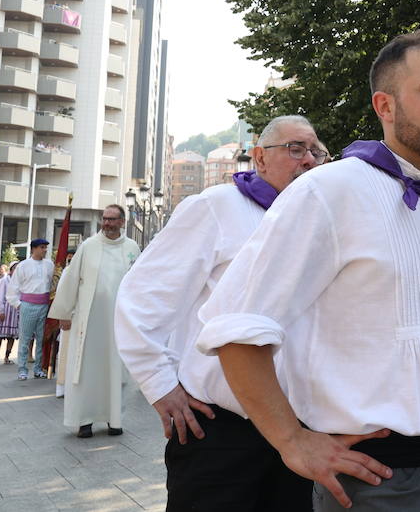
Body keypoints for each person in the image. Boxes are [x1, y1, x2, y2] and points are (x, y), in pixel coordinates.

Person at [197, 29, 420, 511]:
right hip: (380, 482)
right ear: (385, 106)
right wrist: (292, 442)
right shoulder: (329, 192)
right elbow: (234, 326)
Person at [116, 115, 326, 509]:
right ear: (260, 158)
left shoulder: (320, 222)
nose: (309, 160)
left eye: (317, 151)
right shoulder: (217, 207)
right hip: (222, 431)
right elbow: (142, 297)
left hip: (303, 428)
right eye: (296, 149)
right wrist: (160, 385)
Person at [49, 205, 140, 437]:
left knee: (115, 370)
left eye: (112, 219)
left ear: (122, 222)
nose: (106, 223)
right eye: (104, 219)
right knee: (86, 371)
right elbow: (70, 278)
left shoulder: (132, 248)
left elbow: (139, 283)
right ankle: (84, 420)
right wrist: (64, 313)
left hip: (117, 322)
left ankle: (114, 419)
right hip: (88, 321)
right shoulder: (88, 246)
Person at [6, 238, 54, 381]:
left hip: (44, 305)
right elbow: (13, 288)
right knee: (25, 338)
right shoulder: (23, 265)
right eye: (42, 247)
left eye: (46, 247)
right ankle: (22, 369)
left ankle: (38, 368)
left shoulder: (49, 264)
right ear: (33, 249)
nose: (44, 250)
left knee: (42, 338)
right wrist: (19, 305)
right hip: (28, 304)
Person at [0, 260, 20, 364]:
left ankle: (7, 357)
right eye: (15, 268)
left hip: (15, 310)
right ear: (11, 270)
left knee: (11, 336)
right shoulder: (5, 280)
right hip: (5, 309)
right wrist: (0, 310)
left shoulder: (20, 281)